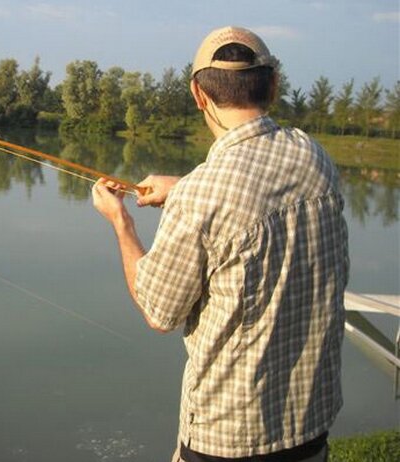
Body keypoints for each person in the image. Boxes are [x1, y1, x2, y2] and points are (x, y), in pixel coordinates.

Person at [92, 26, 349, 462]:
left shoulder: (202, 196)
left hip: (226, 442)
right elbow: (254, 191)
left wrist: (122, 224)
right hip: (310, 432)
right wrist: (182, 186)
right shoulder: (314, 156)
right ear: (273, 84)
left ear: (199, 95)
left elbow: (158, 310)